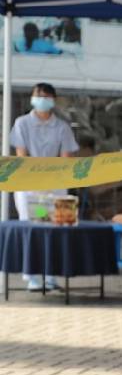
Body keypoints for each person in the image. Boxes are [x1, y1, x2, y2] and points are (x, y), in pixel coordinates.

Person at [10, 82, 78, 290]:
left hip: (56, 184)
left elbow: (66, 157)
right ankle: (31, 276)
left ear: (53, 100)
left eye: (45, 96)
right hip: (30, 184)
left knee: (58, 227)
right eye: (37, 96)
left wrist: (53, 176)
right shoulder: (22, 123)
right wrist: (39, 176)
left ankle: (52, 275)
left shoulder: (62, 127)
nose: (41, 100)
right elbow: (21, 155)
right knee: (33, 227)